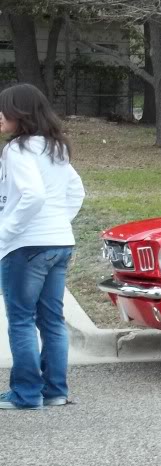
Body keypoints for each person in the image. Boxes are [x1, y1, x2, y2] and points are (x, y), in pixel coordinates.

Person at [0, 83, 85, 410]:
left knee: (21, 319)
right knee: (51, 319)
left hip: (27, 246)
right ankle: (54, 392)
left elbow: (32, 195)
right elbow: (76, 191)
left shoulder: (17, 149)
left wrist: (8, 232)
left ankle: (26, 394)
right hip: (59, 242)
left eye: (5, 109)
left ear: (20, 114)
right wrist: (57, 221)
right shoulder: (56, 147)